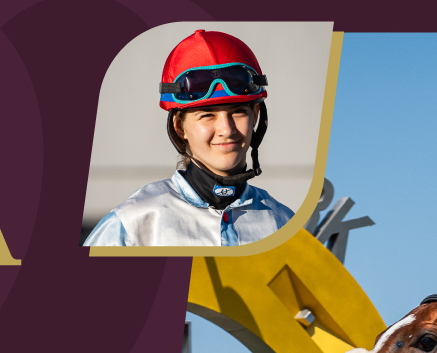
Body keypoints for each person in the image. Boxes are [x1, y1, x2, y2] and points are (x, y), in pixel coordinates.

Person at [84, 29, 295, 247]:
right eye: (207, 115)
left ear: (255, 116)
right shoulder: (132, 225)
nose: (226, 129)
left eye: (238, 112)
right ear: (179, 127)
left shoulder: (285, 223)